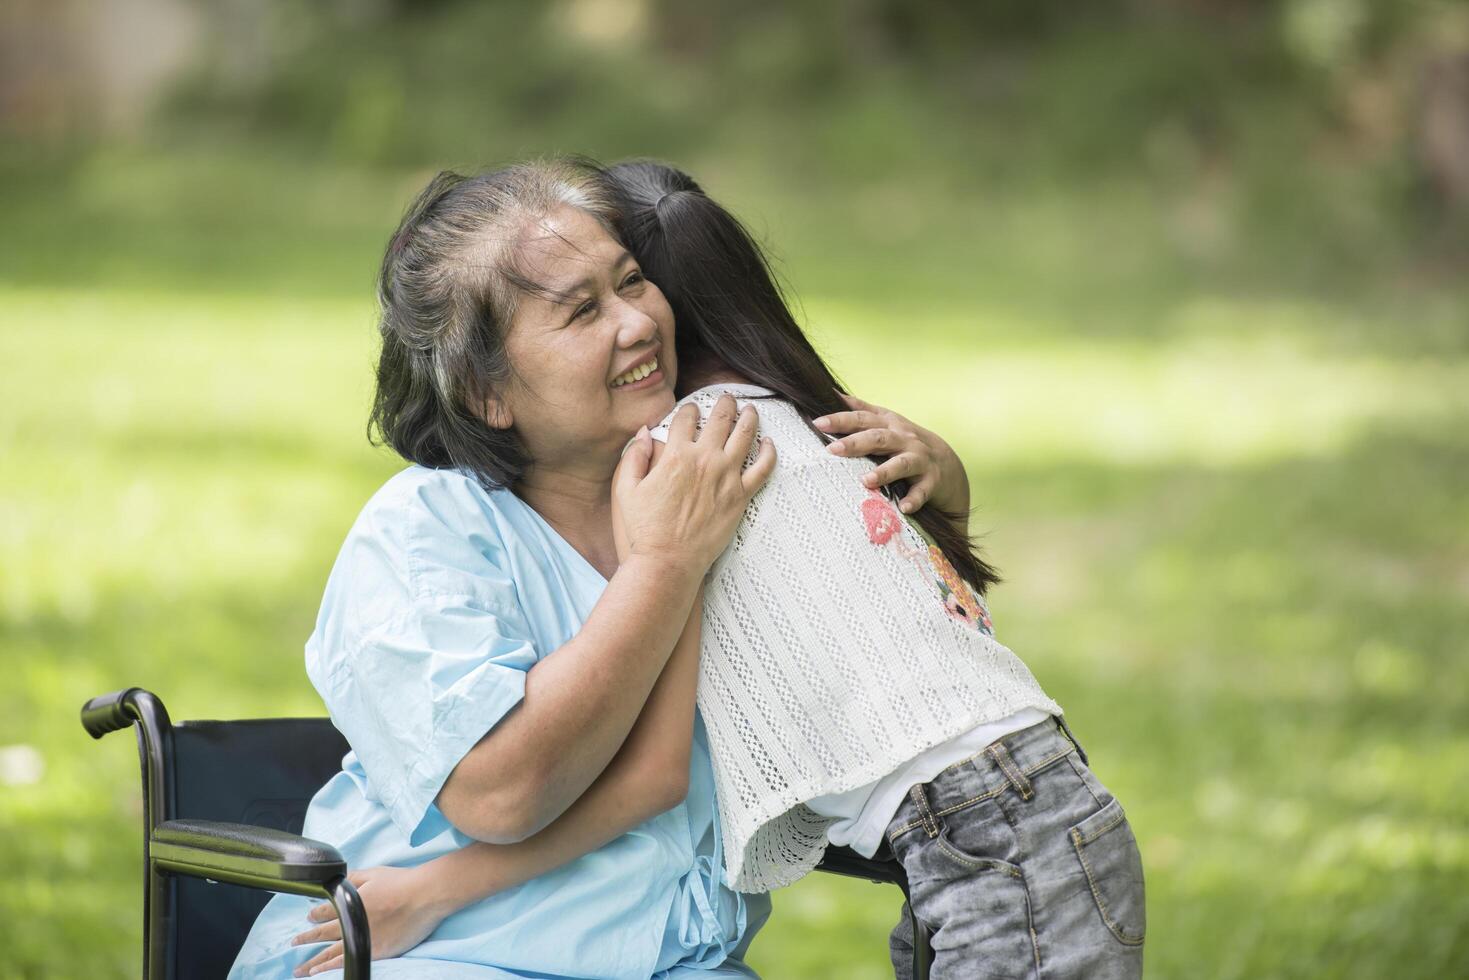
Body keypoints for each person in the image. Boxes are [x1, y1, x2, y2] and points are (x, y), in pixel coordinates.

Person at [296, 161, 1146, 980]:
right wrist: (662, 567)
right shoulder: (425, 534)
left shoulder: (716, 493)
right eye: (580, 310)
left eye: (632, 280)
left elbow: (907, 657)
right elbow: (503, 793)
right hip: (445, 959)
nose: (634, 321)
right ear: (486, 392)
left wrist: (941, 487)